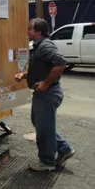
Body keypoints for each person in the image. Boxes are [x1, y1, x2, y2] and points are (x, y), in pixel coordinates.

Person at [15, 18, 75, 171]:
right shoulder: (39, 46)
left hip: (48, 93)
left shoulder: (45, 47)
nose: (27, 31)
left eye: (30, 29)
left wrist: (45, 83)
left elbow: (61, 63)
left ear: (38, 32)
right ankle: (64, 149)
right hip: (44, 93)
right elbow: (43, 68)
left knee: (44, 130)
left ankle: (47, 162)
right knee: (41, 124)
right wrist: (26, 75)